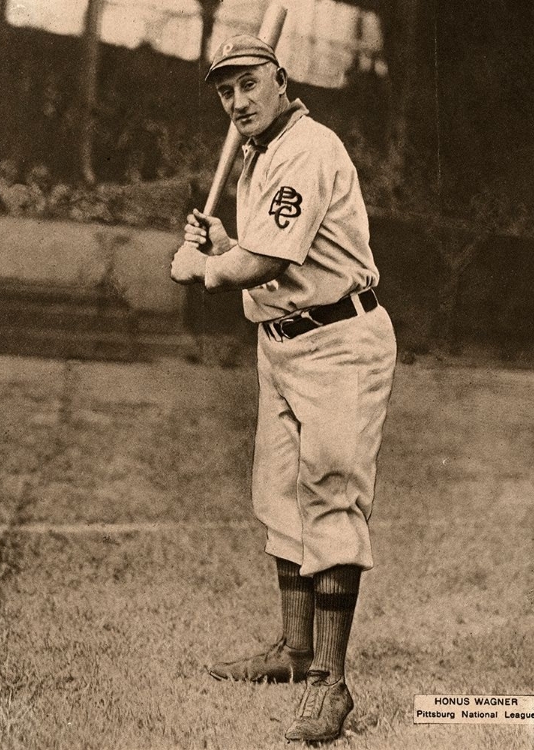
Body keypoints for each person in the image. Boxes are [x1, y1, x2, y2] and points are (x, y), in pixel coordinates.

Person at [170, 34, 397, 743]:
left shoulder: (308, 148)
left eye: (248, 85)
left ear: (281, 81)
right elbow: (258, 249)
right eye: (225, 91)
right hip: (281, 343)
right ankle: (295, 653)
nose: (237, 101)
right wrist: (218, 244)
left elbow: (264, 259)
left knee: (330, 496)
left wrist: (201, 267)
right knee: (278, 496)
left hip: (339, 343)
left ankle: (332, 683)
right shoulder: (262, 150)